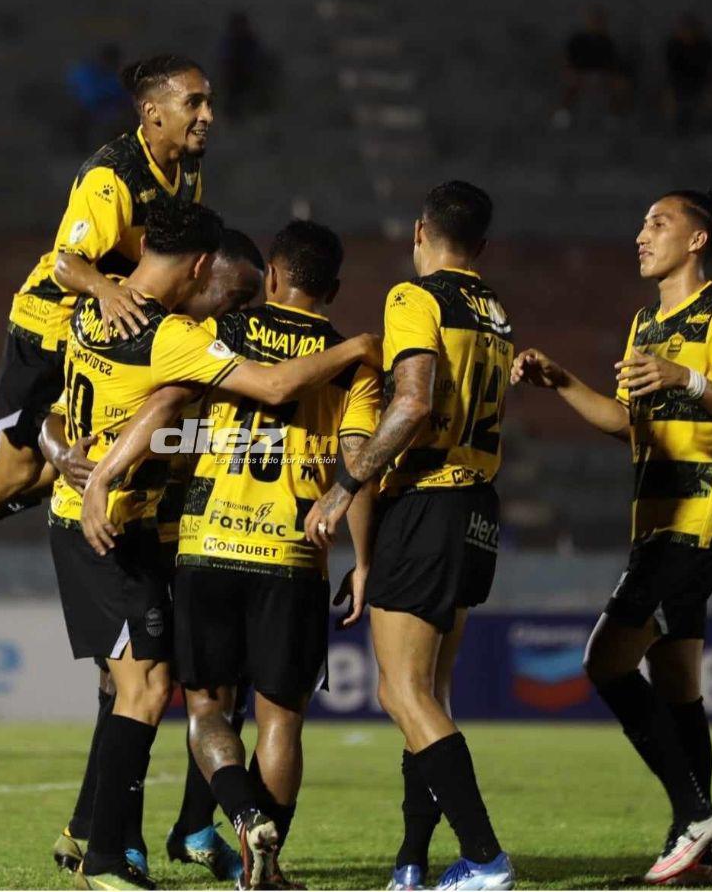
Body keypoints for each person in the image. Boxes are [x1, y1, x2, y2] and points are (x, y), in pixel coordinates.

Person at [47, 199, 376, 890]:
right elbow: (354, 455)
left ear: (277, 276)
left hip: (199, 543)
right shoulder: (338, 361)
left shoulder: (198, 326)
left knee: (192, 701)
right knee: (264, 717)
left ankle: (191, 822)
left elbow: (150, 405)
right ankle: (235, 855)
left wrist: (97, 472)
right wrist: (363, 559)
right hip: (282, 551)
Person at [0, 54, 216, 653]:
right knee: (28, 469)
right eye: (193, 103)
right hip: (50, 328)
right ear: (152, 113)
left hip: (99, 335)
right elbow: (69, 263)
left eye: (207, 102)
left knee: (75, 463)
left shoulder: (186, 169)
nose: (207, 115)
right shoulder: (110, 176)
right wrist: (107, 288)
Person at [510, 190, 712, 885]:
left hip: (696, 523)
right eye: (643, 224)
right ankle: (700, 856)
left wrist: (691, 378)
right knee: (678, 684)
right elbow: (626, 423)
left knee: (604, 662)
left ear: (698, 239)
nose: (641, 234)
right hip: (656, 525)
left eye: (658, 223)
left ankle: (694, 814)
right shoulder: (646, 322)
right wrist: (561, 382)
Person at [304, 181, 515, 891]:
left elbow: (415, 402)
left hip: (426, 502)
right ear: (480, 246)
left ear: (421, 232)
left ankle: (484, 857)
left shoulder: (414, 297)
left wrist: (348, 483)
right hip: (477, 508)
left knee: (402, 694)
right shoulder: (495, 313)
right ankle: (413, 863)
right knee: (428, 696)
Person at [39, 227, 265, 884]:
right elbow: (262, 389)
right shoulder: (177, 340)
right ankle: (109, 850)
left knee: (162, 683)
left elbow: (58, 413)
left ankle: (106, 834)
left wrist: (66, 456)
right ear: (201, 269)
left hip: (152, 532)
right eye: (237, 293)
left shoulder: (99, 313)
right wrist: (352, 351)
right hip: (119, 531)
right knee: (147, 685)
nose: (241, 310)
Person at [553, 5, 631, 129]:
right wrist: (572, 72)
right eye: (594, 20)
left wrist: (605, 76)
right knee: (570, 83)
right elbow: (567, 60)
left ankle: (613, 116)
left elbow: (612, 64)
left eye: (599, 21)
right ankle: (563, 115)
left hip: (601, 76)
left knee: (620, 85)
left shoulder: (607, 42)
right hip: (580, 74)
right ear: (588, 22)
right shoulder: (577, 39)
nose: (597, 24)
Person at [67, 44, 135, 153]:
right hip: (91, 113)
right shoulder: (87, 73)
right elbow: (88, 97)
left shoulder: (117, 75)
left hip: (113, 113)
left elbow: (126, 95)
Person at [664, 14, 712, 134]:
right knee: (669, 99)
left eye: (690, 30)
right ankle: (676, 126)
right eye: (684, 30)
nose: (688, 34)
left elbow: (707, 69)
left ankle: (705, 126)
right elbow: (671, 70)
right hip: (678, 84)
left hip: (699, 82)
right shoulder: (673, 45)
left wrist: (707, 84)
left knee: (710, 96)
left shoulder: (705, 45)